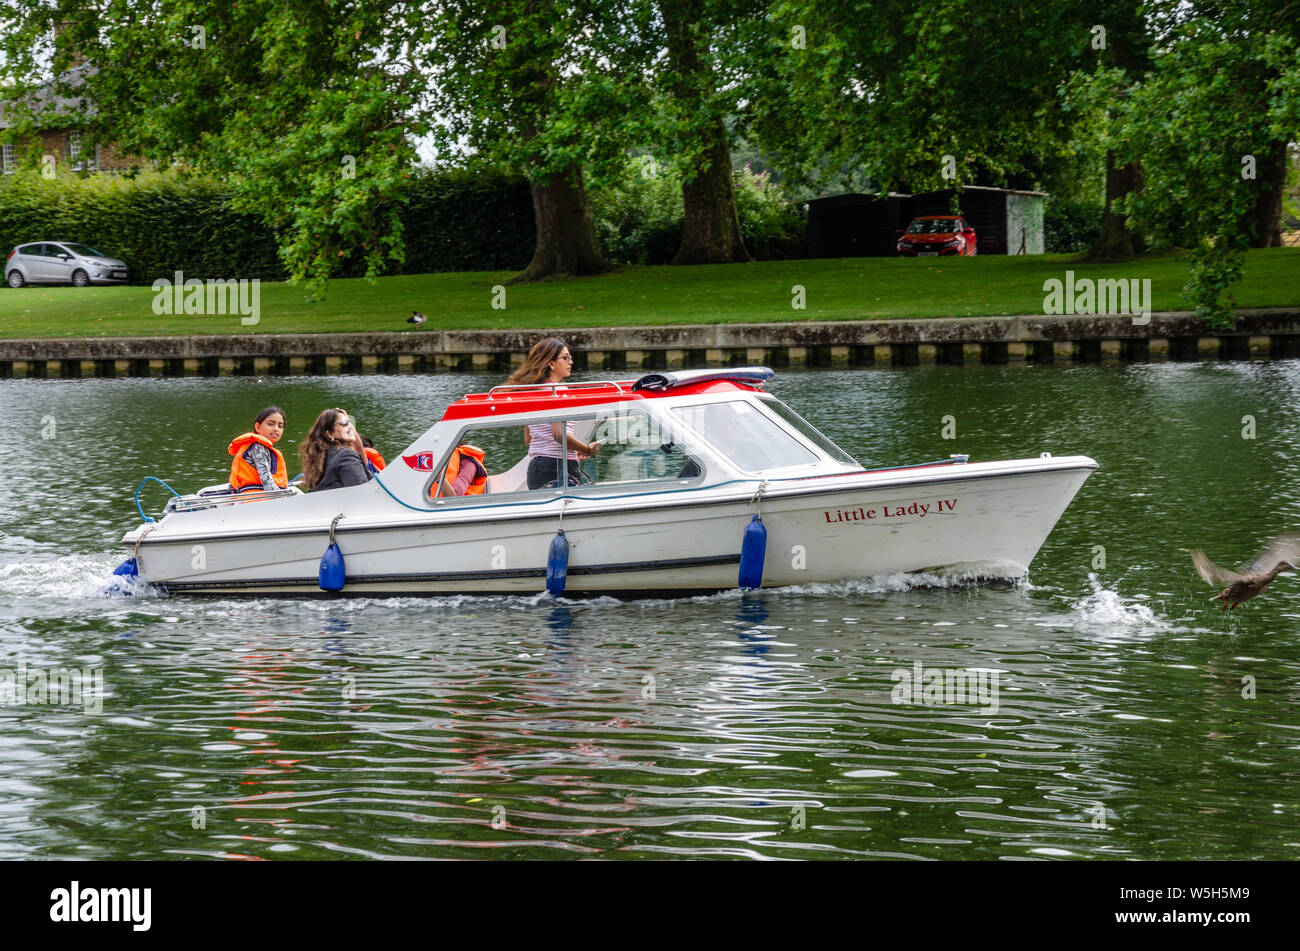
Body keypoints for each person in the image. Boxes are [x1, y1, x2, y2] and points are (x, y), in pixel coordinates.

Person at [507, 338, 601, 489]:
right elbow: (558, 435)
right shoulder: (557, 392)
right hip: (557, 467)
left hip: (537, 468)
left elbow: (529, 439)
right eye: (565, 358)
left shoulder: (530, 392)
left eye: (570, 358)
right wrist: (586, 449)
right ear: (551, 363)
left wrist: (570, 452)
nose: (570, 362)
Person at [298, 408, 373, 492]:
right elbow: (362, 492)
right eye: (344, 423)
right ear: (330, 434)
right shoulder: (346, 456)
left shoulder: (324, 455)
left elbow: (359, 449)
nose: (350, 426)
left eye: (349, 422)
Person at [228, 406, 288, 492]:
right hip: (255, 499)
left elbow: (232, 487)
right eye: (270, 424)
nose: (276, 429)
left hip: (247, 498)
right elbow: (268, 486)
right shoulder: (258, 448)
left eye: (280, 426)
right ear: (258, 427)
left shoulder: (258, 446)